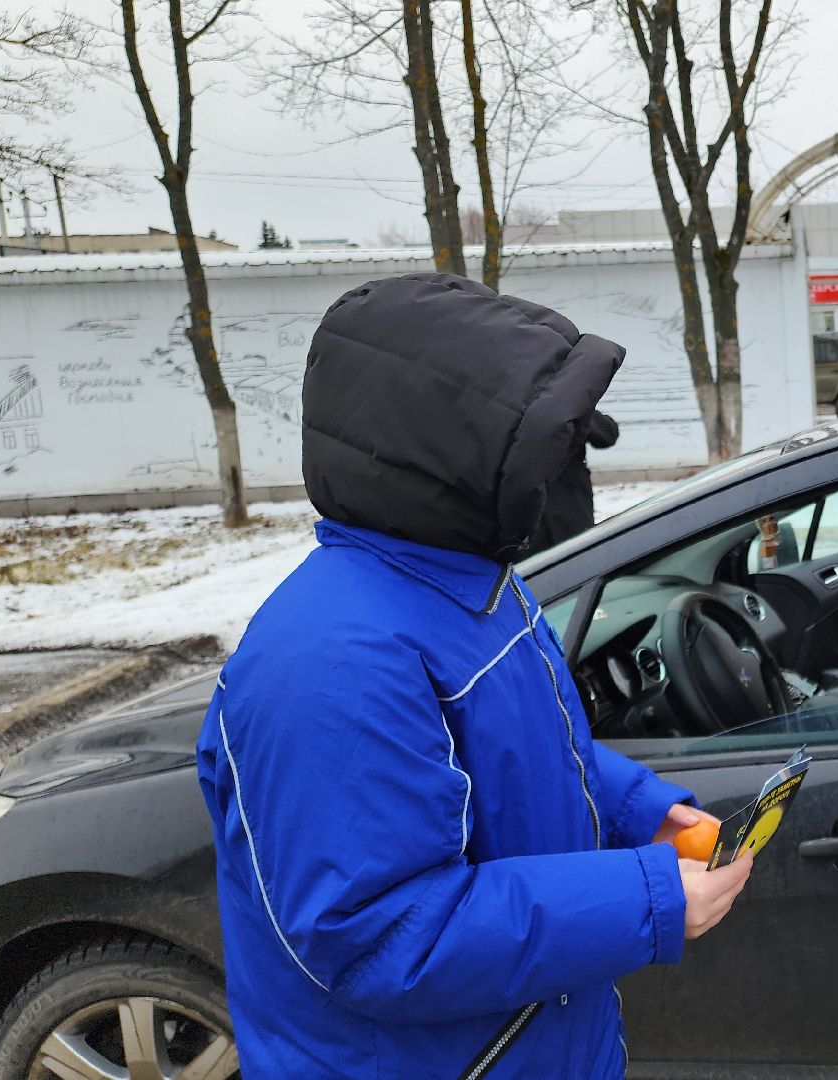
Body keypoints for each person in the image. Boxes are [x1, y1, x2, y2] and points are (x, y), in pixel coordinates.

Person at [196, 273, 752, 1079]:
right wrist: (644, 898)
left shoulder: (472, 584)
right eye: (539, 446)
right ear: (444, 453)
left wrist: (642, 811)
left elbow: (519, 756)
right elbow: (380, 935)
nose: (558, 474)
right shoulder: (330, 663)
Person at [531, 409, 620, 550]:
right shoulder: (505, 403)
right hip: (523, 519)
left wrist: (575, 408)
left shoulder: (569, 402)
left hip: (570, 511)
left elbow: (607, 435)